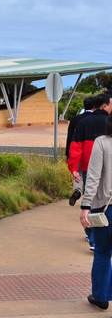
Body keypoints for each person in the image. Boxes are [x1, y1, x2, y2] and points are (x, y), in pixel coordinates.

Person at [70, 94, 112, 250]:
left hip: (88, 167)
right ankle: (96, 236)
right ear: (103, 106)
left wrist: (74, 167)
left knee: (92, 199)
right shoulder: (108, 121)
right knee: (103, 200)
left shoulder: (83, 122)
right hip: (107, 168)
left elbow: (75, 146)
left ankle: (90, 232)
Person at [79, 112, 112, 311]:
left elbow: (93, 177)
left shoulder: (102, 143)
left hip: (106, 208)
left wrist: (86, 205)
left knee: (102, 252)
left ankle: (100, 297)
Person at [66, 96, 96, 206]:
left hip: (76, 151)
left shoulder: (75, 119)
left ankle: (77, 190)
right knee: (88, 174)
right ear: (94, 106)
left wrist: (67, 154)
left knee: (77, 173)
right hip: (89, 152)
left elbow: (70, 137)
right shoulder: (93, 120)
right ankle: (87, 198)